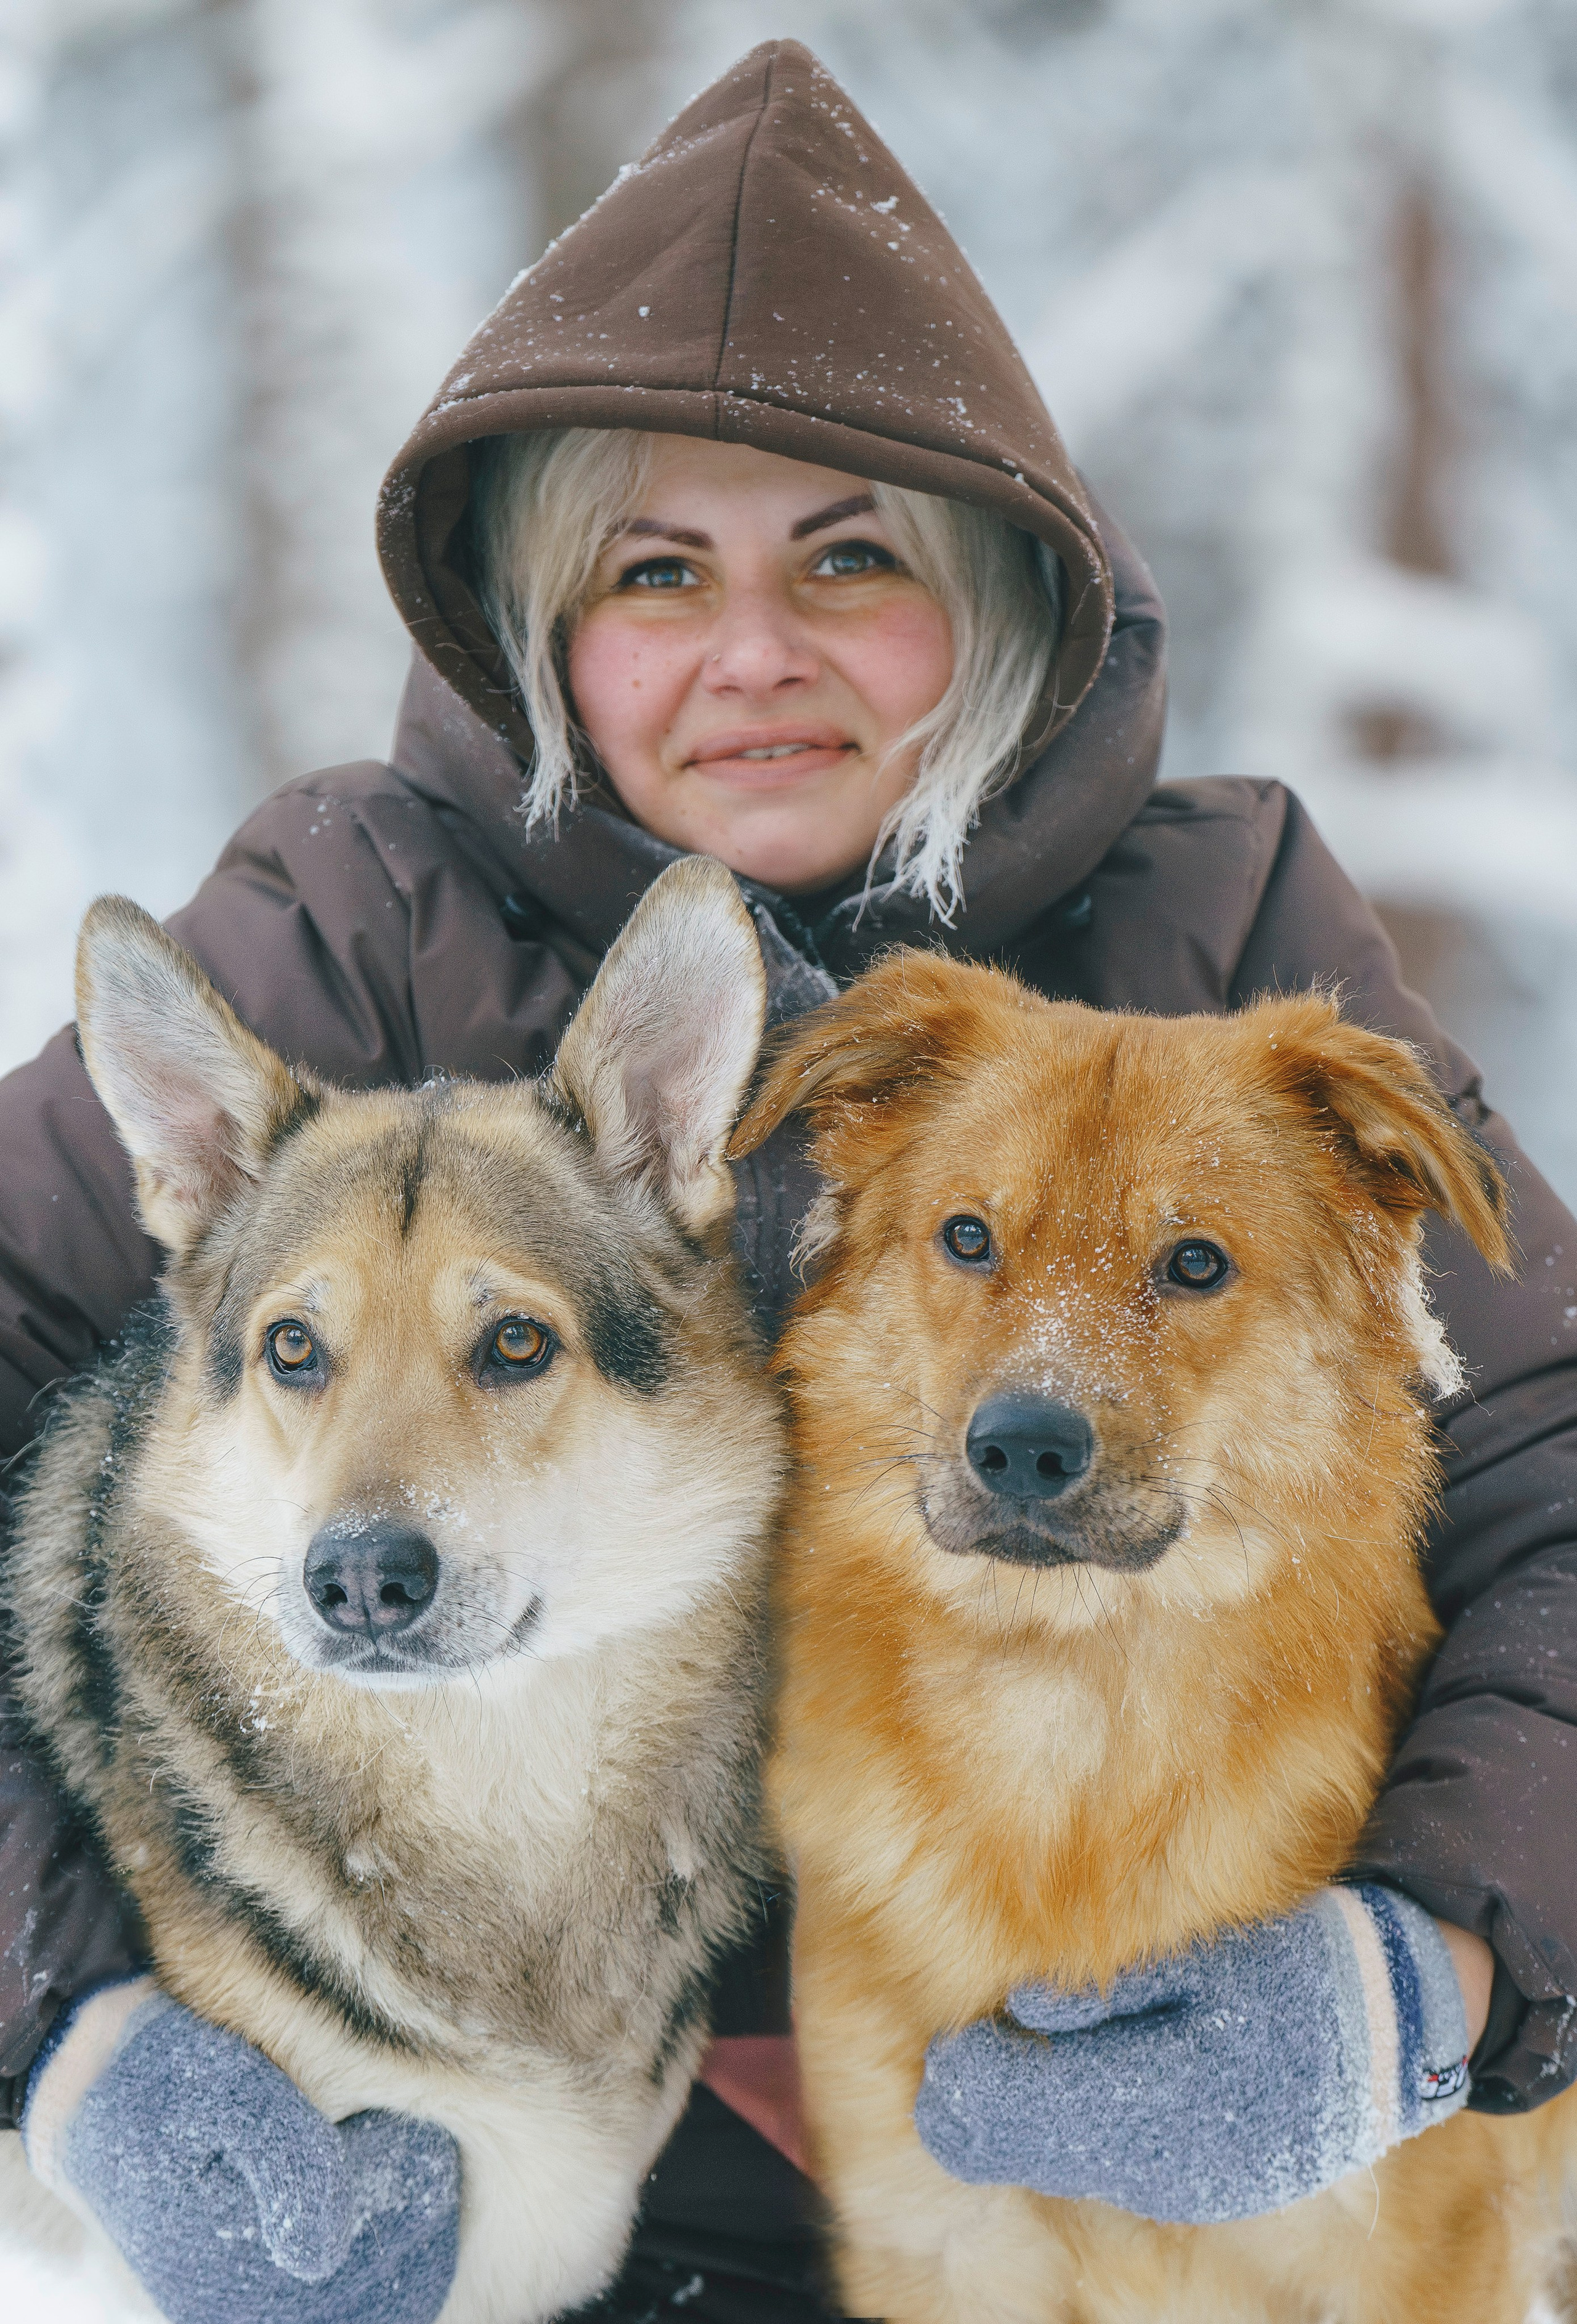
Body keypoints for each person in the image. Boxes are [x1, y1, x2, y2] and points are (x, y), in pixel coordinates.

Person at [2, 38, 1575, 2324]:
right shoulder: (352, 935)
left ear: (999, 602)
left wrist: (1423, 1967)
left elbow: (1565, 1470)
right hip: (468, 2158)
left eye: (853, 559)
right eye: (659, 571)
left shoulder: (1214, 950)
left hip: (1113, 2118)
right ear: (548, 625)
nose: (757, 655)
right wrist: (74, 2036)